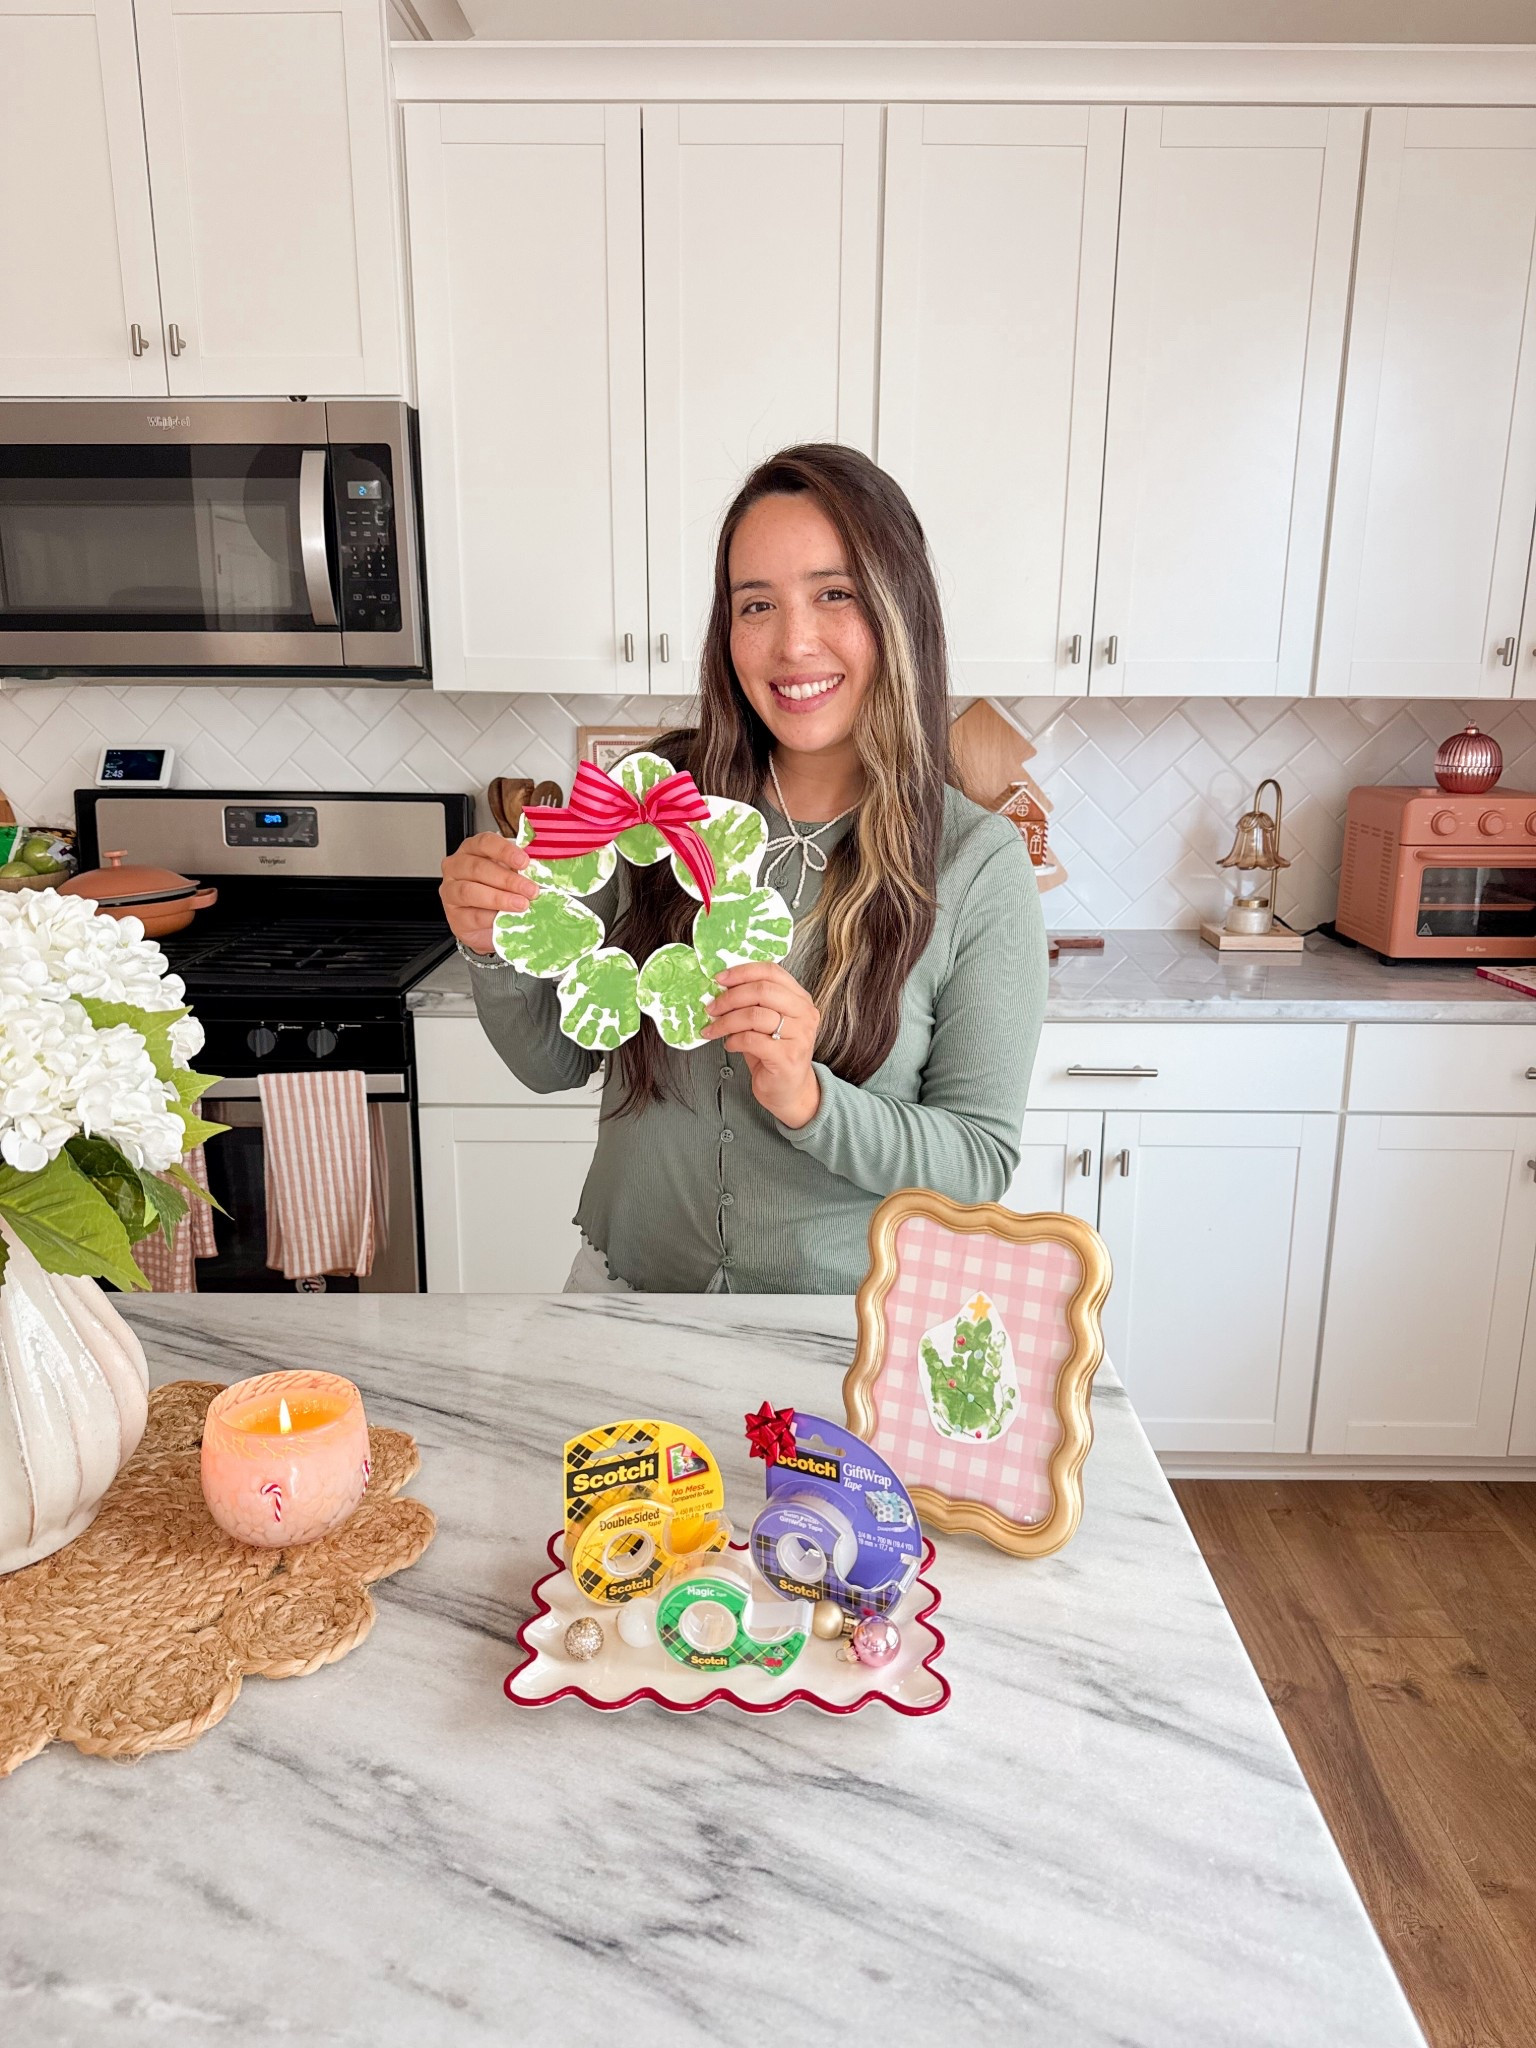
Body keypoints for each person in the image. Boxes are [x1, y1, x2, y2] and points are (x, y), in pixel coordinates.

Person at [439, 443, 1049, 1292]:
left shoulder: (975, 864)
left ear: (899, 610)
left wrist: (810, 1098)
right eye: (755, 605)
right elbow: (553, 1063)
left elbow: (977, 1161)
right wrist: (492, 942)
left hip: (837, 1327)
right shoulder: (652, 802)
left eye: (834, 594)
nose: (792, 644)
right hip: (622, 1297)